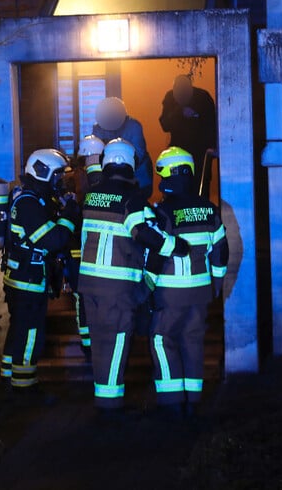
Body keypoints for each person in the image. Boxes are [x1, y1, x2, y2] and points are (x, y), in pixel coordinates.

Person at [78, 138, 188, 417]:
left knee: (101, 343)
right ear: (130, 164)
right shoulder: (131, 200)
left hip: (88, 285)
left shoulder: (92, 194)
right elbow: (143, 233)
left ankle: (103, 399)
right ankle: (110, 407)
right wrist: (176, 247)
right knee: (115, 344)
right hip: (117, 286)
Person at [145, 147, 229, 420]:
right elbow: (221, 249)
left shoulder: (162, 212)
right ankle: (193, 401)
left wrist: (146, 287)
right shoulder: (209, 209)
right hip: (201, 293)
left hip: (170, 293)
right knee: (193, 343)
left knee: (162, 341)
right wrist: (216, 283)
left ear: (170, 174)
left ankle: (172, 404)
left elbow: (155, 255)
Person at [0, 148, 80, 402]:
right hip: (28, 282)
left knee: (19, 330)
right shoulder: (28, 204)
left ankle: (8, 380)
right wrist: (69, 216)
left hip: (25, 279)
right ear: (42, 172)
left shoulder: (33, 199)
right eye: (56, 176)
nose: (59, 181)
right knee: (31, 333)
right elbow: (52, 239)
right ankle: (25, 389)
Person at [63, 135, 105, 359]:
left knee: (82, 295)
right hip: (96, 245)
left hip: (78, 244)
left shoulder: (74, 177)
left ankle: (88, 341)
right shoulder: (106, 177)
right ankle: (94, 340)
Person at [158, 75, 217, 195]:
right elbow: (165, 124)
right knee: (178, 187)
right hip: (178, 154)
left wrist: (212, 147)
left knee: (200, 187)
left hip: (200, 153)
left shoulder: (203, 97)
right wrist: (179, 112)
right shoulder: (170, 97)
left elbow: (212, 123)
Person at [92, 97, 153, 201]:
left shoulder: (134, 126)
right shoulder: (98, 128)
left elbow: (139, 154)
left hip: (139, 179)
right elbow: (95, 153)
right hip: (112, 180)